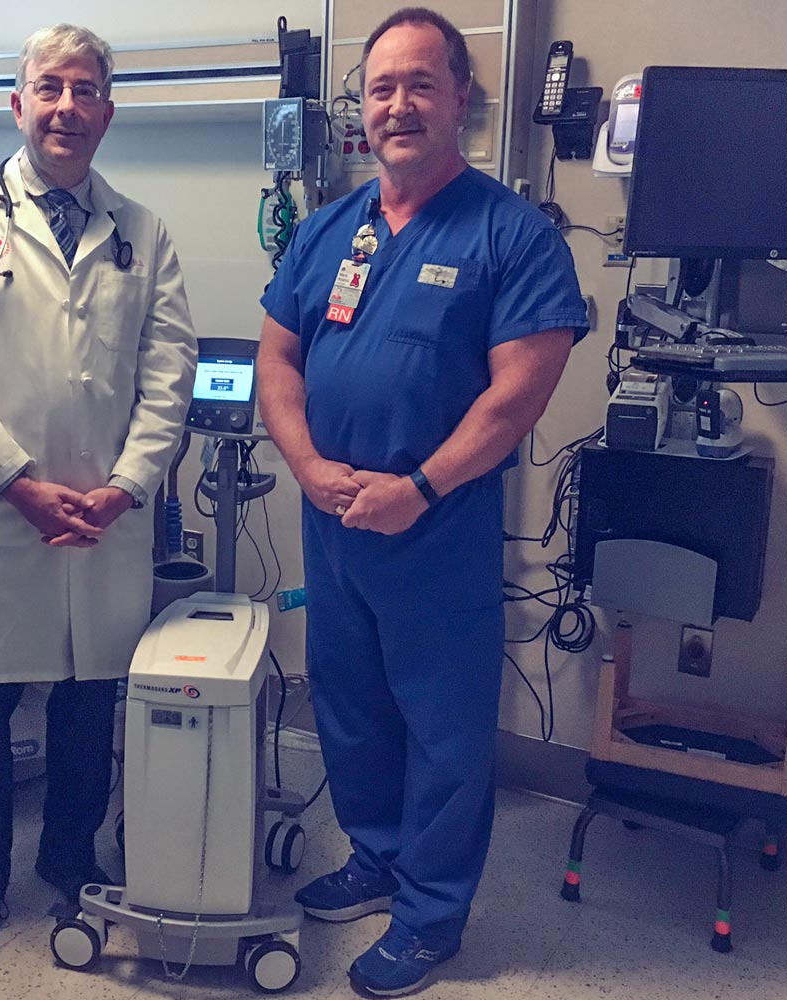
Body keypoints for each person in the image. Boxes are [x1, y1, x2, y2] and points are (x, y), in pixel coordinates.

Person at [256, 7, 588, 995]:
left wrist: (422, 485)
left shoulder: (511, 235)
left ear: (461, 97)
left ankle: (432, 913)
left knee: (442, 727)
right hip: (334, 516)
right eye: (381, 87)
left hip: (433, 526)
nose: (397, 104)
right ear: (362, 106)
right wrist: (309, 463)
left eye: (419, 84)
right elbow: (277, 353)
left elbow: (519, 390)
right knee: (350, 703)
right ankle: (375, 853)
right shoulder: (328, 231)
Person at [0, 23, 197, 968]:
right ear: (17, 105)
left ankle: (71, 863)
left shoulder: (143, 234)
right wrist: (20, 484)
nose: (68, 106)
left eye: (87, 90)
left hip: (103, 522)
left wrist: (129, 484)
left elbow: (170, 373)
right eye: (50, 88)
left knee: (85, 707)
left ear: (108, 110)